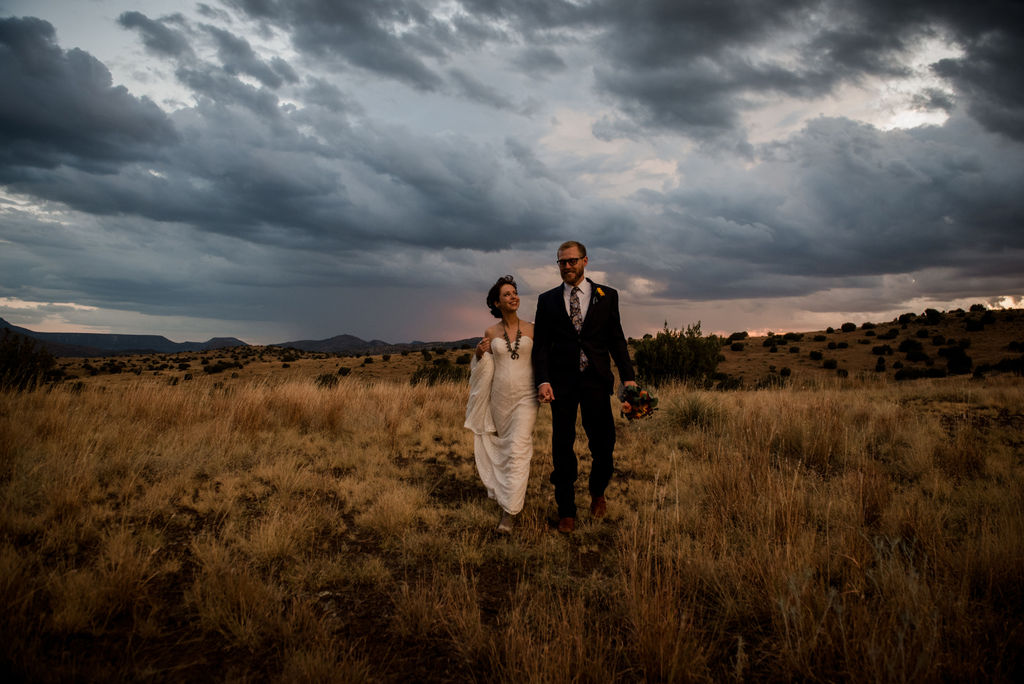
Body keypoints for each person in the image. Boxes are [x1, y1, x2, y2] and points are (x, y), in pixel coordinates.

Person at [532, 241, 636, 533]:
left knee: (604, 445)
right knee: (562, 446)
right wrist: (543, 379)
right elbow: (541, 346)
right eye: (561, 262)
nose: (566, 266)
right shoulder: (547, 300)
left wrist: (628, 377)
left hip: (596, 381)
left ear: (585, 261)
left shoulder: (607, 296)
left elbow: (616, 339)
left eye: (572, 261)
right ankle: (566, 510)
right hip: (561, 384)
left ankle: (598, 492)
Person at [464, 275, 538, 533]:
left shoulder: (532, 329)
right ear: (497, 303)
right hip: (500, 399)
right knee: (507, 452)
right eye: (507, 294)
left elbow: (543, 362)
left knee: (518, 449)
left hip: (526, 397)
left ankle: (510, 512)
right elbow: (483, 368)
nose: (513, 296)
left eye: (515, 292)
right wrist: (478, 354)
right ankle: (508, 493)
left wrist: (546, 385)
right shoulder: (491, 333)